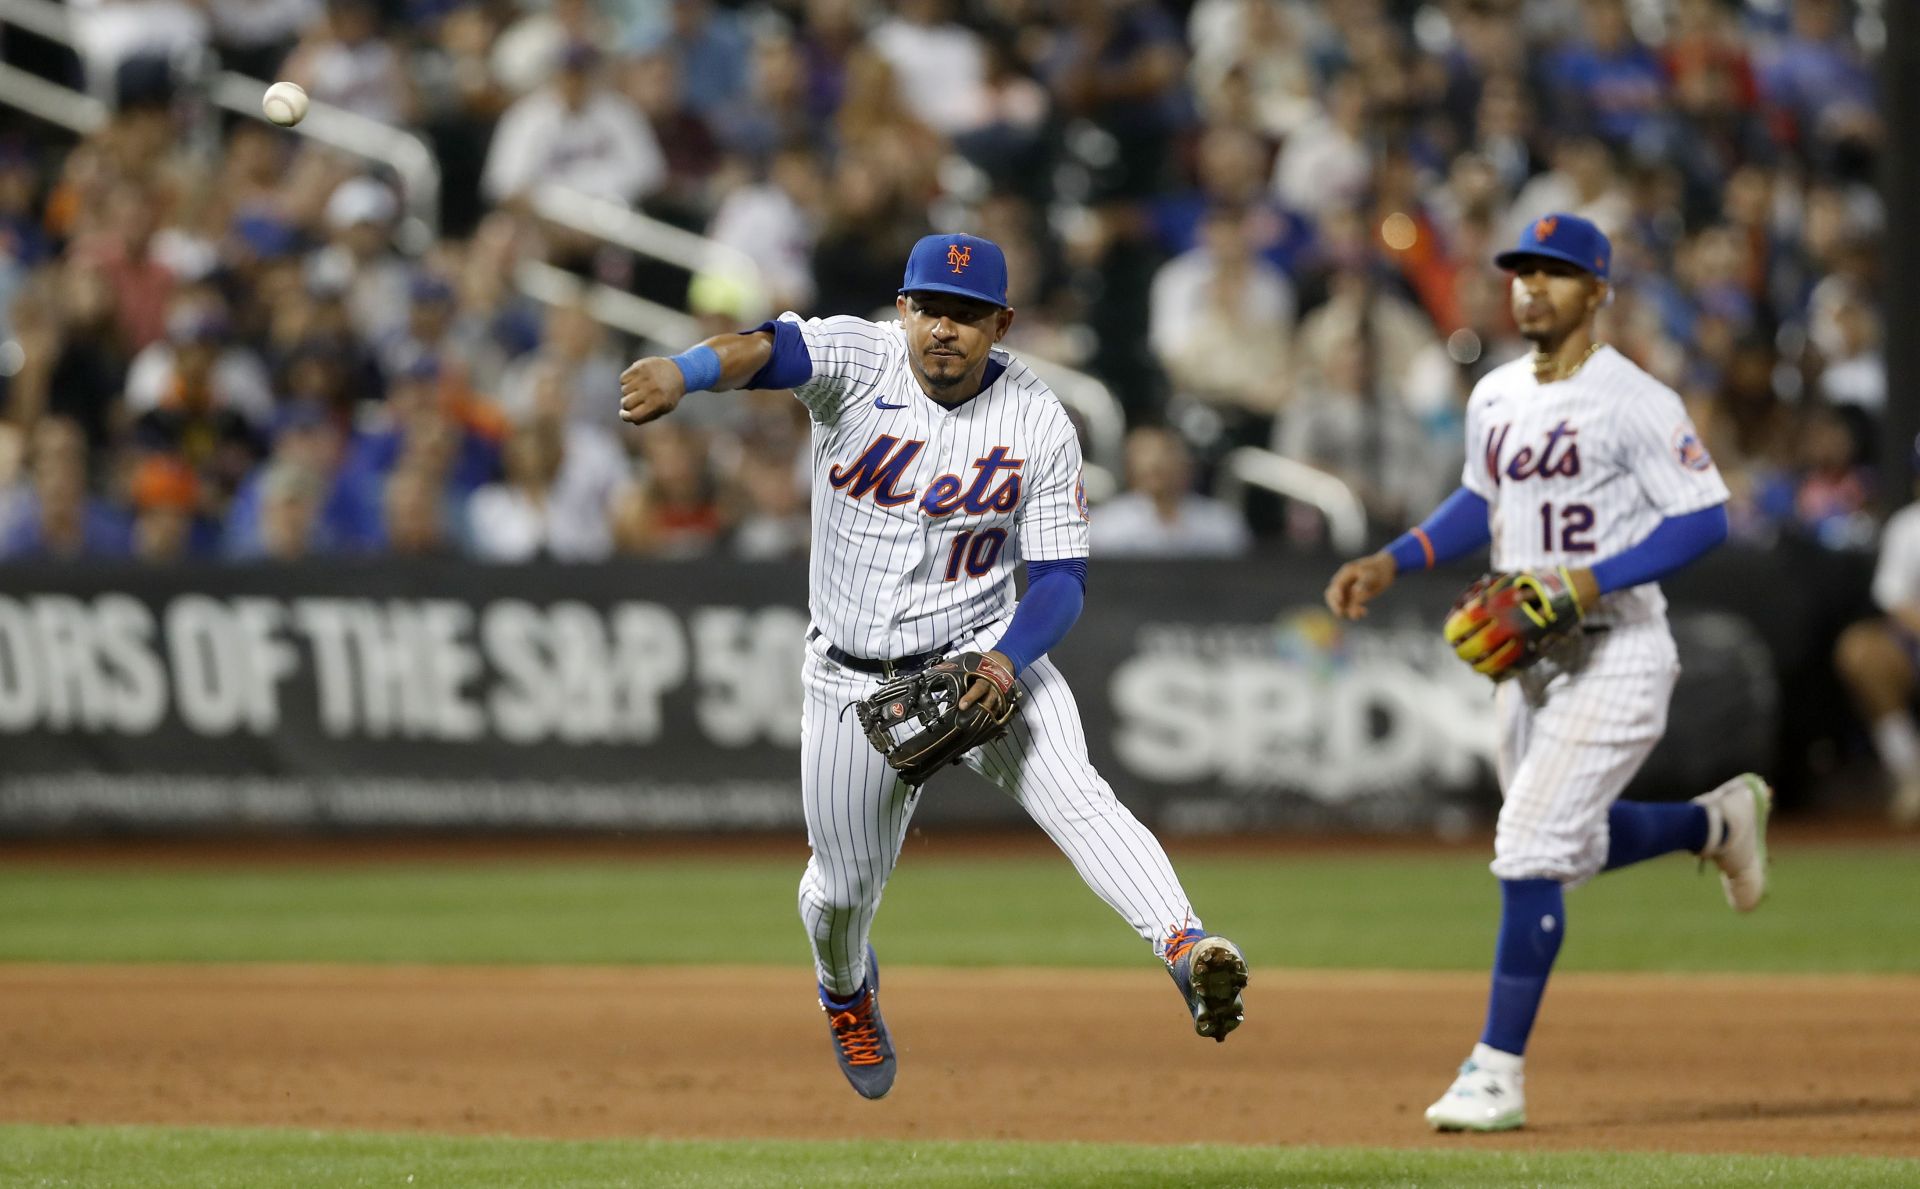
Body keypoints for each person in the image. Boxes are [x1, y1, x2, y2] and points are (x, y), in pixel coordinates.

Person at [617, 233, 1248, 1100]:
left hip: (983, 651)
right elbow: (765, 350)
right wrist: (685, 372)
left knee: (1077, 794)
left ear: (1001, 325)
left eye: (966, 314)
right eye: (930, 309)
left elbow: (1062, 580)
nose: (943, 329)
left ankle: (1186, 946)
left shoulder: (1037, 420)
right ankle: (845, 990)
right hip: (851, 680)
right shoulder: (858, 356)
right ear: (903, 307)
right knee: (841, 892)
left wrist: (1006, 658)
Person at [1323, 214, 1772, 1132]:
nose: (1533, 286)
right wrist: (1394, 558)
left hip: (1619, 645)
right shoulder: (1493, 395)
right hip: (1529, 664)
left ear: (1598, 290)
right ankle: (1716, 821)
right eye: (1523, 271)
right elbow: (1480, 501)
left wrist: (1588, 579)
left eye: (1556, 273)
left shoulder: (1634, 397)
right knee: (1556, 853)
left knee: (1528, 848)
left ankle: (1497, 1071)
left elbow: (1703, 517)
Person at [1833, 465, 1920, 827]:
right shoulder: (1909, 526)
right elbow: (1894, 601)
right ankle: (1911, 775)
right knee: (1860, 651)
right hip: (1915, 645)